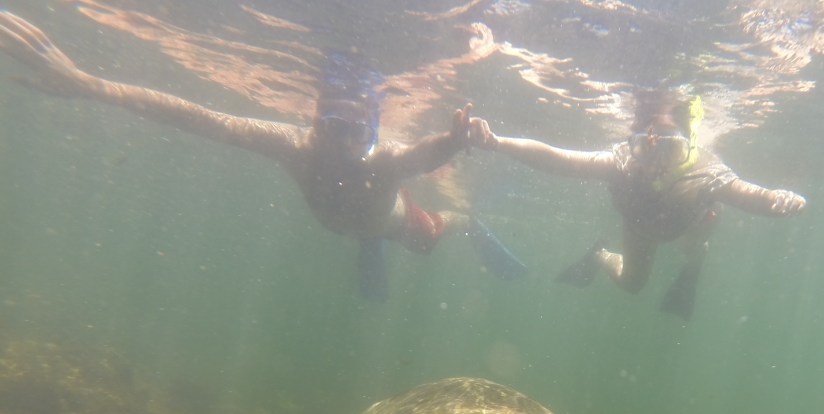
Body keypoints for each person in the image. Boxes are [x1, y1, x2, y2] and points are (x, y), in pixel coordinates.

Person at [0, 12, 526, 301]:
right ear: (314, 120)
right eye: (329, 124)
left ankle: (469, 222)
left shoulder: (380, 161)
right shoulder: (292, 145)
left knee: (430, 235)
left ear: (370, 129)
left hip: (392, 222)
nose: (340, 140)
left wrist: (453, 143)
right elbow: (196, 116)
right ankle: (371, 246)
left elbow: (419, 154)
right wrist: (92, 85)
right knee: (369, 238)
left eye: (353, 129)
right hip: (352, 223)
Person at [470, 88, 805, 319]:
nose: (656, 158)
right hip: (641, 228)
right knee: (632, 284)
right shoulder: (620, 163)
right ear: (633, 142)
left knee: (698, 242)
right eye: (647, 145)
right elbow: (558, 159)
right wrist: (497, 142)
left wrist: (778, 199)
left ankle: (695, 258)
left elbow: (749, 195)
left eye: (669, 147)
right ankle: (600, 254)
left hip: (694, 219)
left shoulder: (707, 172)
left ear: (690, 146)